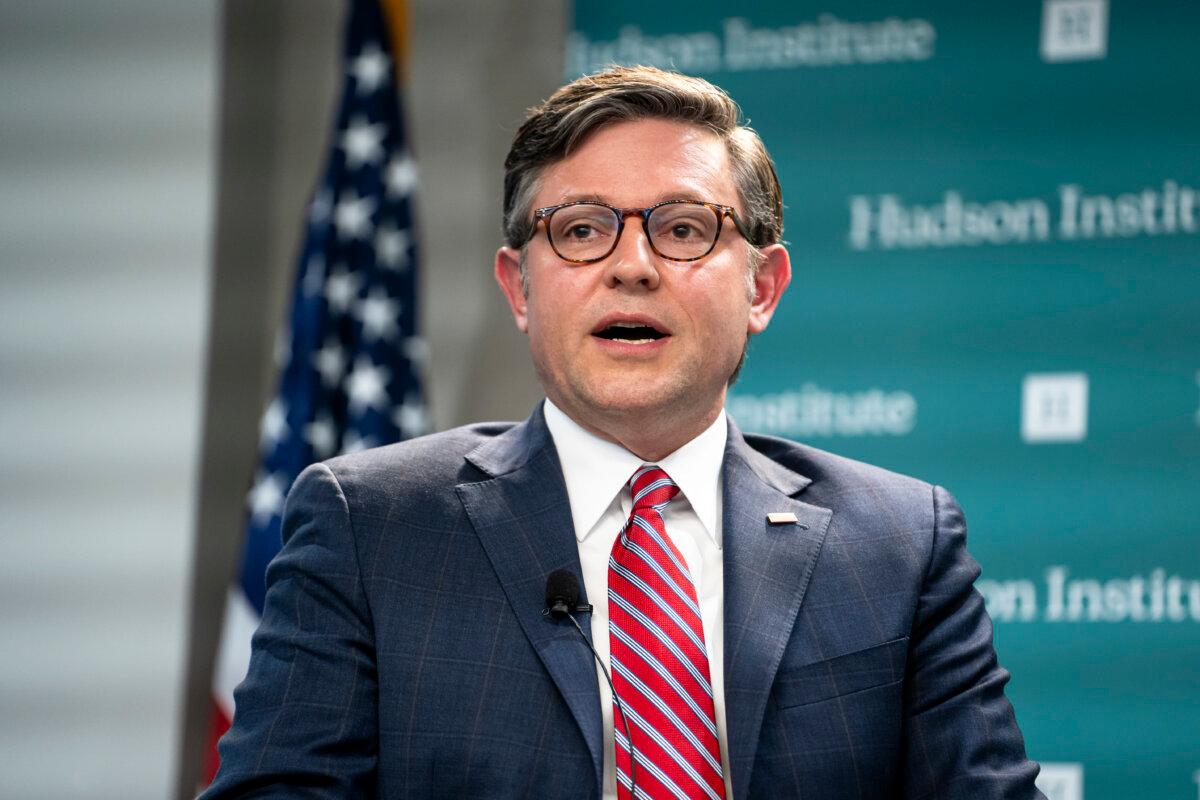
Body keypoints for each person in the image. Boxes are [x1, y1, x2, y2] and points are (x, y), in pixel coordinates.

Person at [204, 66, 1045, 799]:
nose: (632, 265)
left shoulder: (899, 544)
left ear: (762, 287)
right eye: (579, 230)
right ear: (520, 288)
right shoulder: (373, 526)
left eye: (683, 228)